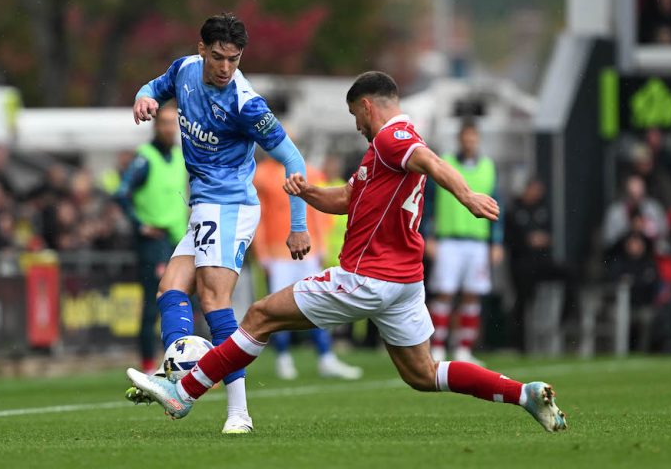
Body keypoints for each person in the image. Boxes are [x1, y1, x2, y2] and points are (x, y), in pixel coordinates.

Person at [126, 71, 567, 434]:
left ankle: (184, 392)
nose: (357, 125)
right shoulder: (384, 152)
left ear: (368, 106)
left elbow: (431, 162)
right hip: (405, 283)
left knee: (259, 315)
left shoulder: (394, 139)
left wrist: (467, 195)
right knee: (422, 374)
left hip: (366, 277)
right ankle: (522, 393)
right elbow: (347, 199)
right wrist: (308, 192)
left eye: (356, 115)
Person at [125, 13, 311, 434]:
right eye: (218, 57)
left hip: (230, 206)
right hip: (203, 205)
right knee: (170, 287)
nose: (226, 67)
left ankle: (239, 413)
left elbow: (293, 160)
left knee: (214, 302)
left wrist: (298, 225)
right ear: (201, 49)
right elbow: (156, 86)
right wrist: (143, 97)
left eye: (234, 58)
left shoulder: (247, 104)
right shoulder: (185, 70)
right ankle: (174, 377)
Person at [252, 154, 361, 380]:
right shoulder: (261, 174)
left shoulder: (310, 171)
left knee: (318, 303)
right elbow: (259, 215)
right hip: (277, 251)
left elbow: (319, 211)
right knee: (277, 307)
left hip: (308, 250)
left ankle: (325, 356)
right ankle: (283, 357)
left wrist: (321, 245)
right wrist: (261, 251)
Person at [115, 103, 189, 372]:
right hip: (153, 242)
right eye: (166, 124)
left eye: (174, 124)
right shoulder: (145, 157)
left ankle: (184, 361)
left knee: (184, 300)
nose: (170, 129)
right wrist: (140, 225)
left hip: (178, 240)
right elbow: (122, 192)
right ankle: (147, 363)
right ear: (156, 126)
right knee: (152, 303)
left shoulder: (181, 156)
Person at [424, 118, 503, 364]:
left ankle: (463, 349)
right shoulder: (444, 163)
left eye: (473, 137)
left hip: (477, 241)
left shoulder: (488, 166)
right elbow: (429, 202)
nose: (469, 142)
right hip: (449, 239)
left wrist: (496, 241)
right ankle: (437, 346)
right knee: (444, 293)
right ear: (460, 139)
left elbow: (497, 204)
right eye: (466, 137)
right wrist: (428, 235)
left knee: (472, 294)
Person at [504, 177, 577, 352]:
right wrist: (527, 241)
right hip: (521, 263)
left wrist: (542, 239)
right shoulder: (514, 211)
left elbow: (549, 234)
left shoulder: (542, 209)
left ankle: (565, 318)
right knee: (523, 298)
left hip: (541, 261)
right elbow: (509, 241)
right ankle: (520, 344)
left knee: (570, 272)